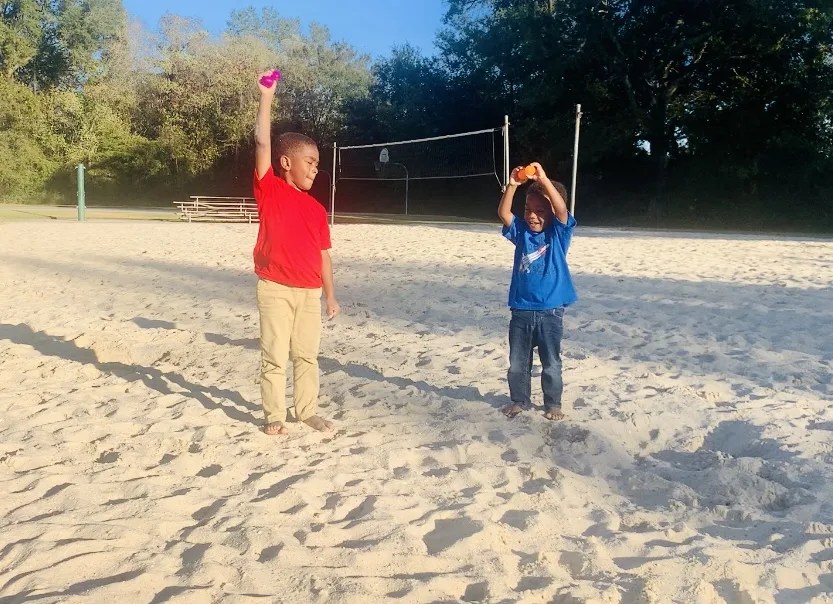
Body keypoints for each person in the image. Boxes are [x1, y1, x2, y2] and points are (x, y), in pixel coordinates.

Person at [253, 70, 340, 436]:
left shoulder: (317, 209)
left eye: (318, 163)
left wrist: (330, 295)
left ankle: (306, 411)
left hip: (309, 293)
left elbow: (323, 254)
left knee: (306, 355)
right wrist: (267, 97)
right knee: (274, 356)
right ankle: (275, 414)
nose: (315, 169)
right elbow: (261, 143)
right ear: (286, 162)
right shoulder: (269, 189)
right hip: (274, 288)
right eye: (310, 161)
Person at [497, 162, 577, 421]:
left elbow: (563, 209)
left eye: (540, 211)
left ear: (552, 213)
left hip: (550, 312)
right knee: (517, 364)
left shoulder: (557, 234)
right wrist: (512, 186)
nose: (532, 215)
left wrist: (543, 178)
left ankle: (553, 404)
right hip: (521, 310)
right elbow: (503, 213)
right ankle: (519, 400)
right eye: (529, 210)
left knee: (551, 363)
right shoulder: (521, 232)